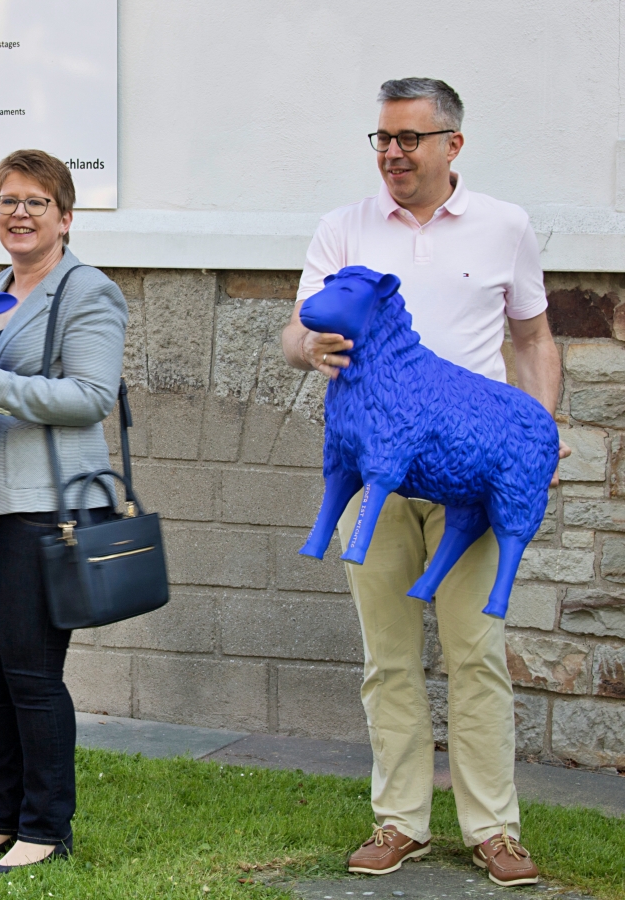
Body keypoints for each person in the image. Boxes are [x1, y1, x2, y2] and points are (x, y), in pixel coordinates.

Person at [282, 79, 570, 887]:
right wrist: (309, 350)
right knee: (388, 658)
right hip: (379, 477)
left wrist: (536, 431)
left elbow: (532, 338)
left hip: (466, 480)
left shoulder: (504, 227)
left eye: (408, 139)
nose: (392, 155)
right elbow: (296, 328)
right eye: (381, 139)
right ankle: (399, 821)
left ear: (452, 144)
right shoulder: (345, 229)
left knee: (477, 653)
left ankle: (494, 830)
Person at [0, 149, 127, 878]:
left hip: (47, 510)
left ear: (65, 217)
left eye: (36, 202)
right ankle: (2, 817)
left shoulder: (87, 293)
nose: (19, 212)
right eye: (7, 199)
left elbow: (91, 396)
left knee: (31, 671)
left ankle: (47, 826)